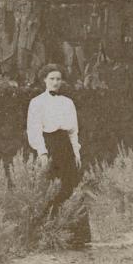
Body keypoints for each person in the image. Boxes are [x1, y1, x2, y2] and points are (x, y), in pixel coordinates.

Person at [26, 64, 90, 249]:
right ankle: (50, 236)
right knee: (52, 189)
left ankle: (76, 238)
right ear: (44, 80)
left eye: (58, 79)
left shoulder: (67, 102)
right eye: (51, 78)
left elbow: (73, 131)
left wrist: (76, 152)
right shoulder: (37, 102)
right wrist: (42, 152)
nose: (55, 82)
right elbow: (34, 129)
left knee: (70, 188)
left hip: (66, 147)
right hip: (50, 146)